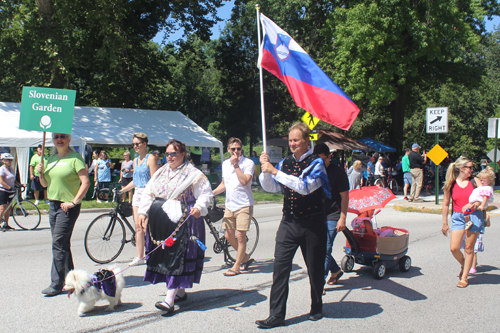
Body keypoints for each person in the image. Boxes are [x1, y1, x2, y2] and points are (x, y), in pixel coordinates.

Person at [256, 122, 330, 328]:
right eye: (290, 140)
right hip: (288, 222)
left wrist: (275, 171)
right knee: (280, 267)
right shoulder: (285, 163)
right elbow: (271, 186)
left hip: (312, 224)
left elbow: (304, 187)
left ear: (307, 141)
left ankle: (317, 305)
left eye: (296, 140)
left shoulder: (316, 163)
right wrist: (265, 171)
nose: (292, 144)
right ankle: (276, 315)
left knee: (314, 269)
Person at [137, 139, 213, 314]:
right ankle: (180, 291)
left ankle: (169, 300)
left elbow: (205, 194)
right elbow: (149, 192)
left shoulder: (193, 174)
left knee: (176, 257)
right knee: (168, 256)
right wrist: (143, 212)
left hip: (184, 221)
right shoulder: (161, 172)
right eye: (167, 153)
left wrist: (199, 208)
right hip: (162, 221)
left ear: (183, 154)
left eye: (174, 154)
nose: (169, 157)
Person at [37, 133, 90, 296]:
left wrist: (73, 202)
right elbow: (45, 184)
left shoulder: (75, 158)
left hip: (68, 206)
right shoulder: (51, 159)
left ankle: (57, 283)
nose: (59, 139)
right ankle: (73, 280)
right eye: (56, 137)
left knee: (58, 243)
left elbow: (86, 182)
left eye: (62, 136)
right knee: (62, 244)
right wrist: (40, 173)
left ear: (69, 139)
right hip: (53, 204)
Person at [213, 137, 255, 276]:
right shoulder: (225, 164)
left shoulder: (248, 163)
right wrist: (210, 194)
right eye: (233, 149)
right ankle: (244, 257)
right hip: (230, 205)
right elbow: (224, 185)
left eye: (238, 148)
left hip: (244, 204)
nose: (236, 151)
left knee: (240, 236)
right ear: (228, 150)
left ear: (241, 149)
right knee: (228, 235)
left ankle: (237, 265)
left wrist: (236, 165)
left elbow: (244, 181)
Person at [441, 156, 484, 288]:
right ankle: (464, 264)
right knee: (454, 248)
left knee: (469, 248)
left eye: (472, 167)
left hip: (474, 216)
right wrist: (444, 223)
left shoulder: (475, 182)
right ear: (461, 168)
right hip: (458, 217)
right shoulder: (451, 183)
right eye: (470, 167)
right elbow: (446, 204)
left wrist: (475, 205)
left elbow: (483, 198)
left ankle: (464, 278)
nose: (472, 170)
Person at [313, 143, 348, 295]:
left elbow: (345, 196)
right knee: (319, 248)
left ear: (329, 157)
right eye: (316, 160)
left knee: (326, 248)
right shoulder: (313, 171)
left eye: (322, 160)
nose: (319, 164)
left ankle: (320, 283)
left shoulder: (338, 173)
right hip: (317, 214)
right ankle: (335, 270)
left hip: (333, 215)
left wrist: (343, 218)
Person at [121, 133, 159, 266]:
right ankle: (139, 256)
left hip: (147, 193)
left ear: (144, 144)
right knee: (138, 227)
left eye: (137, 144)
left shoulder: (151, 158)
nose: (135, 146)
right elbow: (135, 181)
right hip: (137, 193)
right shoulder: (136, 160)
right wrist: (123, 190)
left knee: (147, 226)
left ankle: (154, 253)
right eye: (133, 144)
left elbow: (154, 180)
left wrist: (149, 196)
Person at [0, 153, 25, 230]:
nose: (10, 161)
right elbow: (1, 181)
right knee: (3, 208)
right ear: (3, 161)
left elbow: (13, 180)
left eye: (11, 160)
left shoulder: (11, 168)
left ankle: (6, 224)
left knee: (9, 207)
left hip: (10, 191)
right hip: (3, 190)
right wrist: (8, 187)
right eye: (8, 160)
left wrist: (20, 185)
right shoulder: (2, 169)